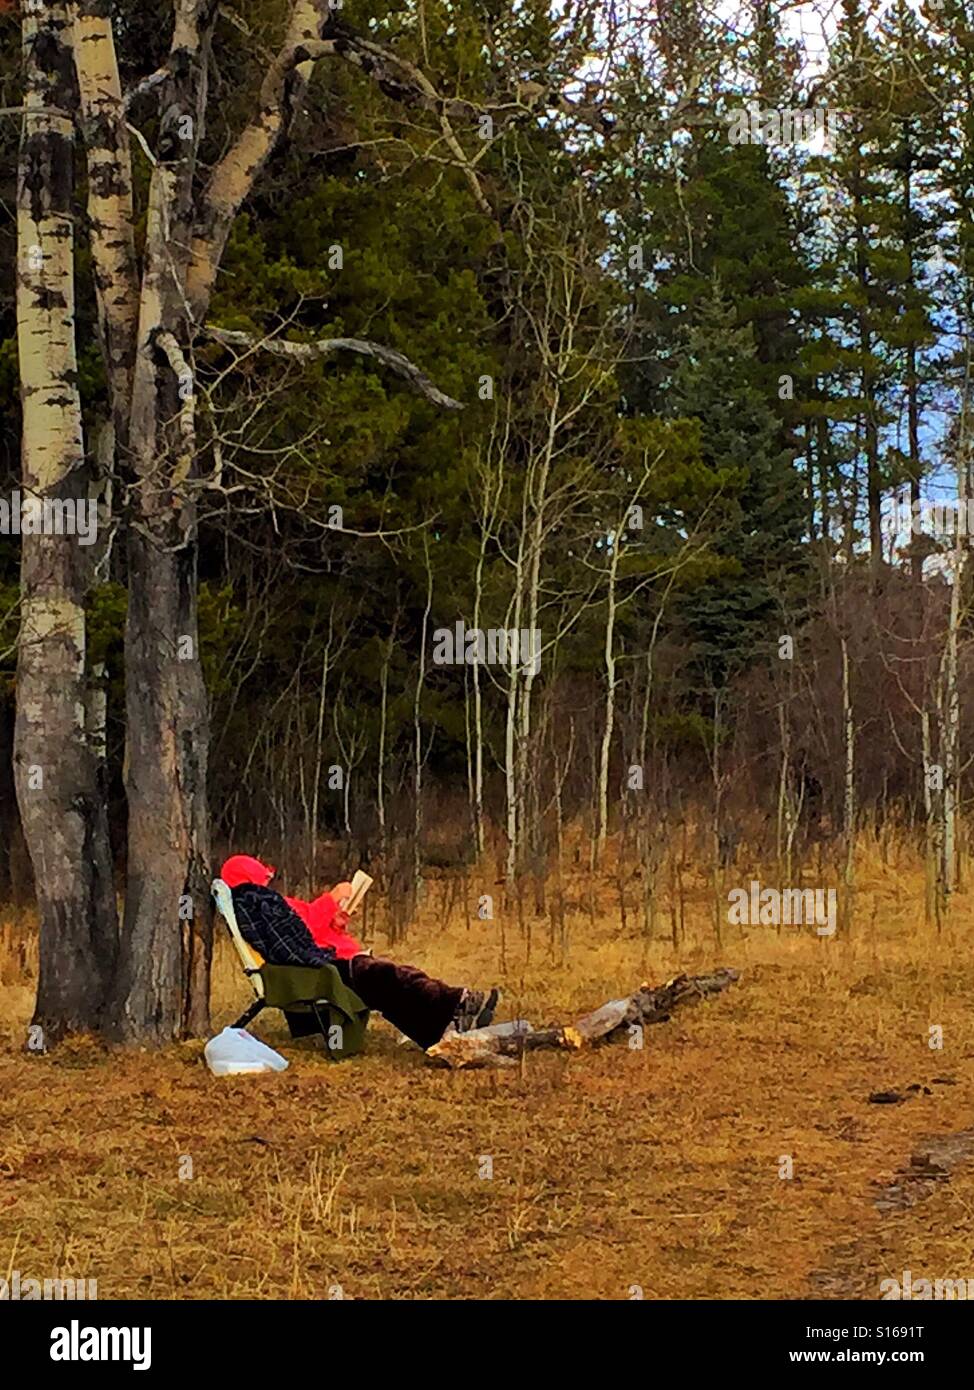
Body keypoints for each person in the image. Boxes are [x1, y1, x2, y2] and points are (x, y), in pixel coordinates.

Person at [220, 854, 499, 1050]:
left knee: (392, 982)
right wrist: (331, 899)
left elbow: (302, 934)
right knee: (389, 977)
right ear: (251, 877)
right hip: (320, 968)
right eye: (262, 876)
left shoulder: (270, 903)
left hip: (328, 957)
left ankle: (442, 1026)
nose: (269, 882)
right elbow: (297, 936)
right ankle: (455, 1003)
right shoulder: (260, 903)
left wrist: (336, 923)